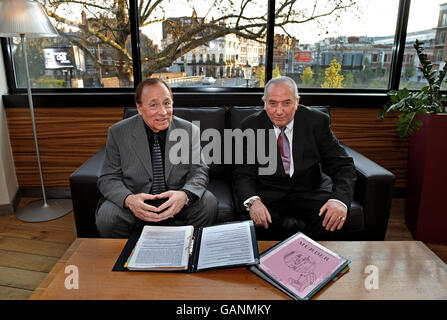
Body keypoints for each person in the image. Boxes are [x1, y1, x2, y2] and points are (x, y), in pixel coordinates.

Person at [234, 76, 356, 240]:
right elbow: (242, 173)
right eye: (272, 103)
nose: (279, 111)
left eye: (286, 103)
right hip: (269, 193)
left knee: (333, 220)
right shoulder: (250, 126)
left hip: (311, 190)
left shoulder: (317, 121)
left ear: (297, 101)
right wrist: (253, 202)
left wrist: (339, 200)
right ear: (264, 103)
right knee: (254, 223)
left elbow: (343, 165)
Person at [96, 78, 217, 238]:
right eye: (153, 105)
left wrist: (185, 195)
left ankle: (190, 253)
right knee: (107, 216)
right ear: (139, 108)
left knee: (208, 203)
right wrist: (129, 200)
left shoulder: (189, 130)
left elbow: (199, 171)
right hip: (138, 203)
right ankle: (127, 258)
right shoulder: (118, 133)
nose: (163, 112)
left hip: (177, 203)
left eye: (167, 103)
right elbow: (108, 177)